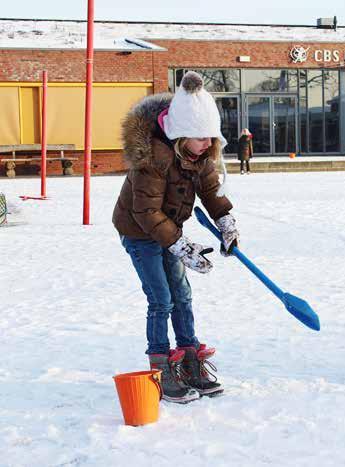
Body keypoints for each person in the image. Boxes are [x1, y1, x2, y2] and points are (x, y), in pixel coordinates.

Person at [113, 71, 240, 403]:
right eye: (200, 138)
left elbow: (212, 193)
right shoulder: (153, 158)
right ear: (181, 135)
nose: (207, 144)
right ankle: (161, 367)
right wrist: (180, 246)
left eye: (211, 137)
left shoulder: (201, 157)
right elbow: (145, 212)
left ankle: (189, 359)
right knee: (161, 299)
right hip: (139, 233)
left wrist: (227, 223)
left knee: (182, 296)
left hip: (169, 230)